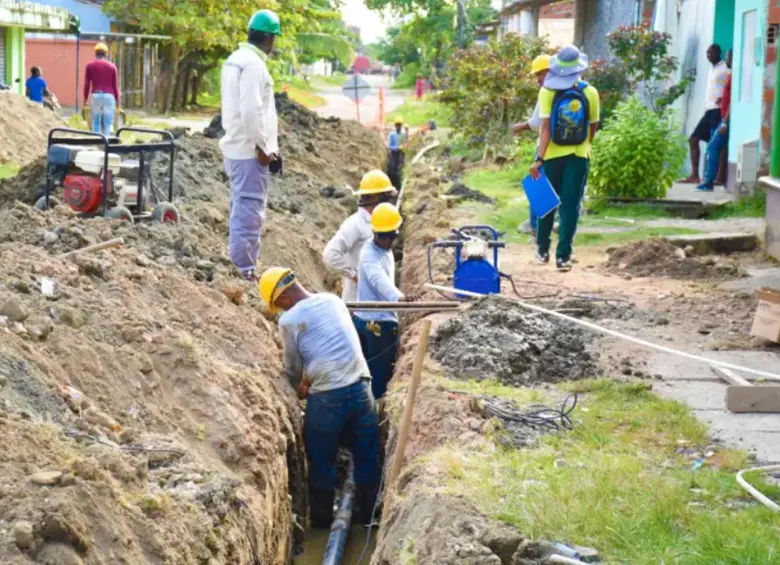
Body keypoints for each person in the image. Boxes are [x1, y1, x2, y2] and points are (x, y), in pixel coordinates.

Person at [258, 267, 381, 528]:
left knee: (322, 460)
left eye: (277, 306)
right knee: (367, 455)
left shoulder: (289, 320)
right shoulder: (333, 300)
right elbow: (334, 345)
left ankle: (322, 523)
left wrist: (293, 395)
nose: (279, 311)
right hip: (362, 388)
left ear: (284, 298)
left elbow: (292, 368)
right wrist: (310, 377)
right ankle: (369, 517)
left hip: (327, 400)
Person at [220, 10, 282, 282]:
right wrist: (263, 146)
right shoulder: (253, 65)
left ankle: (241, 264)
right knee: (249, 209)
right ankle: (244, 269)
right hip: (249, 150)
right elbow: (251, 110)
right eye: (275, 38)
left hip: (237, 145)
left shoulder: (235, 60)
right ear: (268, 37)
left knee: (242, 206)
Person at [529, 45, 599, 273]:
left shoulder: (547, 91)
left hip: (551, 155)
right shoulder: (590, 92)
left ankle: (542, 250)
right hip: (578, 156)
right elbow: (592, 128)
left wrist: (539, 158)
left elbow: (545, 129)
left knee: (546, 202)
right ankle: (564, 257)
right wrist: (583, 147)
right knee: (570, 206)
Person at [354, 203, 411, 400]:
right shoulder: (369, 254)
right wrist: (399, 298)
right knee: (376, 380)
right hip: (376, 326)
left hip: (373, 320)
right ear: (374, 233)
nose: (387, 240)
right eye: (382, 236)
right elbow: (379, 281)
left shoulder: (382, 250)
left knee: (371, 376)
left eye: (391, 236)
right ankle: (371, 416)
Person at [323, 170, 397, 302]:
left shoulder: (379, 221)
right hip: (359, 304)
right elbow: (330, 254)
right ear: (376, 198)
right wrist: (355, 276)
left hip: (380, 301)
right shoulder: (355, 224)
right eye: (386, 197)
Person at [512, 54, 551, 239]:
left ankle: (536, 228)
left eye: (540, 74)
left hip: (546, 148)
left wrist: (519, 127)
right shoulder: (579, 89)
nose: (538, 79)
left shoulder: (548, 92)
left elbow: (537, 123)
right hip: (571, 150)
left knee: (538, 186)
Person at [680, 44, 730, 184]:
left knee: (718, 143)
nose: (708, 55)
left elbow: (731, 85)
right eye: (707, 52)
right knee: (693, 139)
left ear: (719, 53)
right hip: (709, 110)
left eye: (711, 52)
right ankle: (695, 175)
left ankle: (720, 177)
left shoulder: (725, 68)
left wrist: (725, 98)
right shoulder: (712, 69)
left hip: (718, 110)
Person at [698, 49, 733, 192]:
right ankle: (709, 181)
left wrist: (725, 121)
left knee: (713, 147)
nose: (727, 60)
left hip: (725, 120)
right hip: (723, 117)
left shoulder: (734, 76)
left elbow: (733, 103)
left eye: (729, 57)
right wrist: (722, 99)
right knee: (715, 147)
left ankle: (709, 182)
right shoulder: (731, 76)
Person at [83, 43, 120, 136]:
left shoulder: (89, 65)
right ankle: (106, 144)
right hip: (109, 97)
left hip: (96, 96)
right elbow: (115, 86)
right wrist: (118, 101)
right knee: (108, 123)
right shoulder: (112, 66)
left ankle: (96, 143)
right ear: (106, 54)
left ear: (95, 53)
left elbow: (87, 84)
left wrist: (85, 99)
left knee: (96, 122)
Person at [386, 116, 407, 190]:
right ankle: (393, 185)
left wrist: (404, 147)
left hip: (401, 154)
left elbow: (406, 143)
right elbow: (389, 146)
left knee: (401, 169)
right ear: (395, 125)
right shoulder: (392, 134)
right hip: (394, 154)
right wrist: (397, 148)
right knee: (393, 170)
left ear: (401, 125)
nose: (398, 126)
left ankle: (400, 186)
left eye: (400, 125)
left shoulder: (403, 134)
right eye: (397, 125)